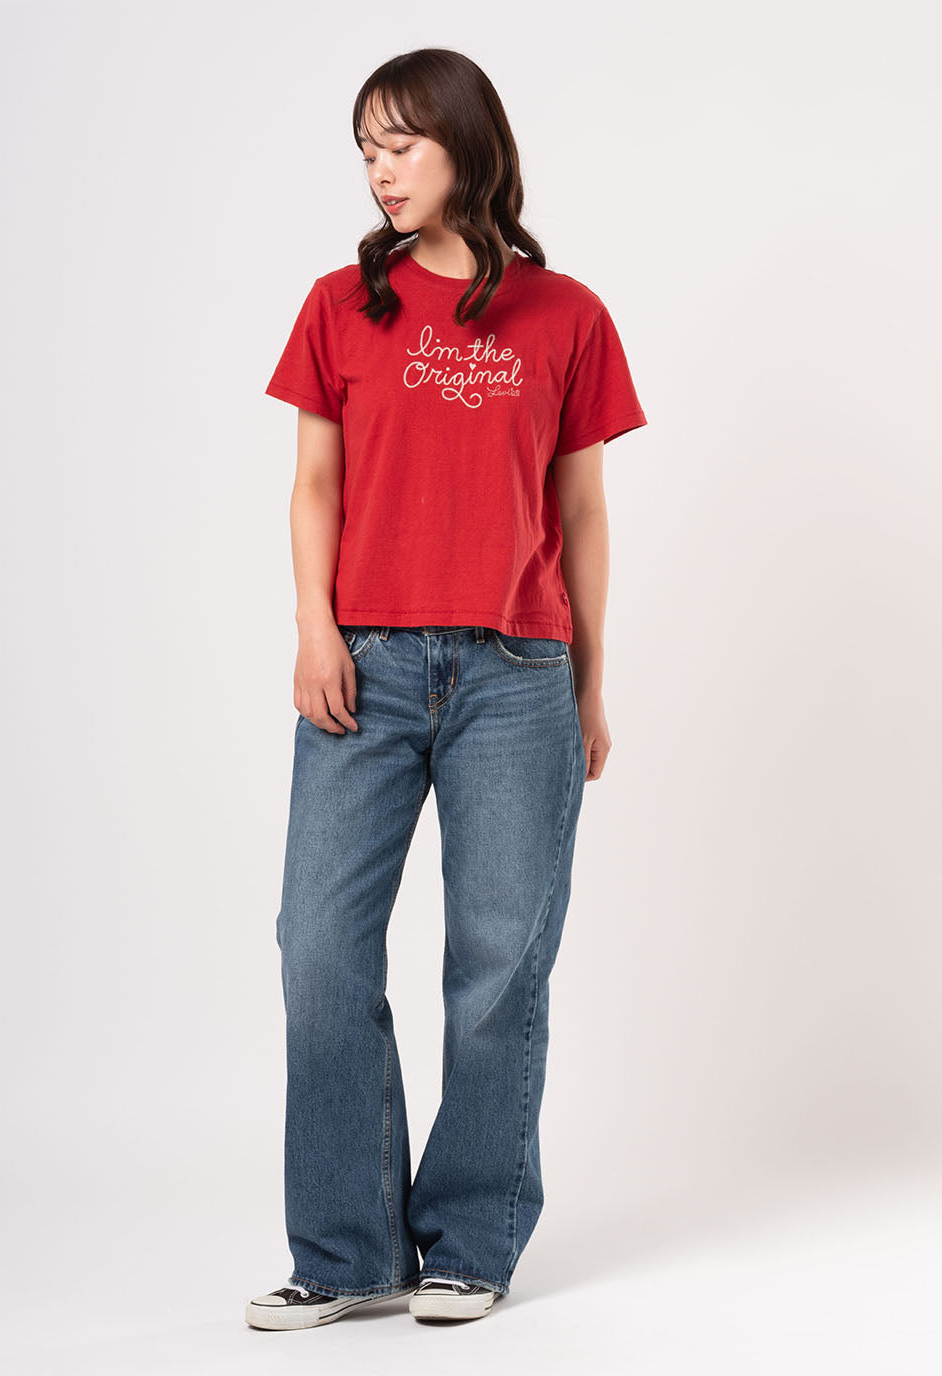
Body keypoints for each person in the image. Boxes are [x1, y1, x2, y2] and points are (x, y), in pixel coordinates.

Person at [245, 47, 647, 1332]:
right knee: (318, 947)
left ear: (467, 144)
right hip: (363, 666)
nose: (379, 169)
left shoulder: (566, 314)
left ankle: (471, 1240)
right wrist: (316, 626)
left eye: (401, 143)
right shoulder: (337, 306)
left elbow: (583, 511)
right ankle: (348, 1249)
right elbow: (315, 484)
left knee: (497, 963)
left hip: (518, 675)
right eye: (366, 148)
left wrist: (591, 678)